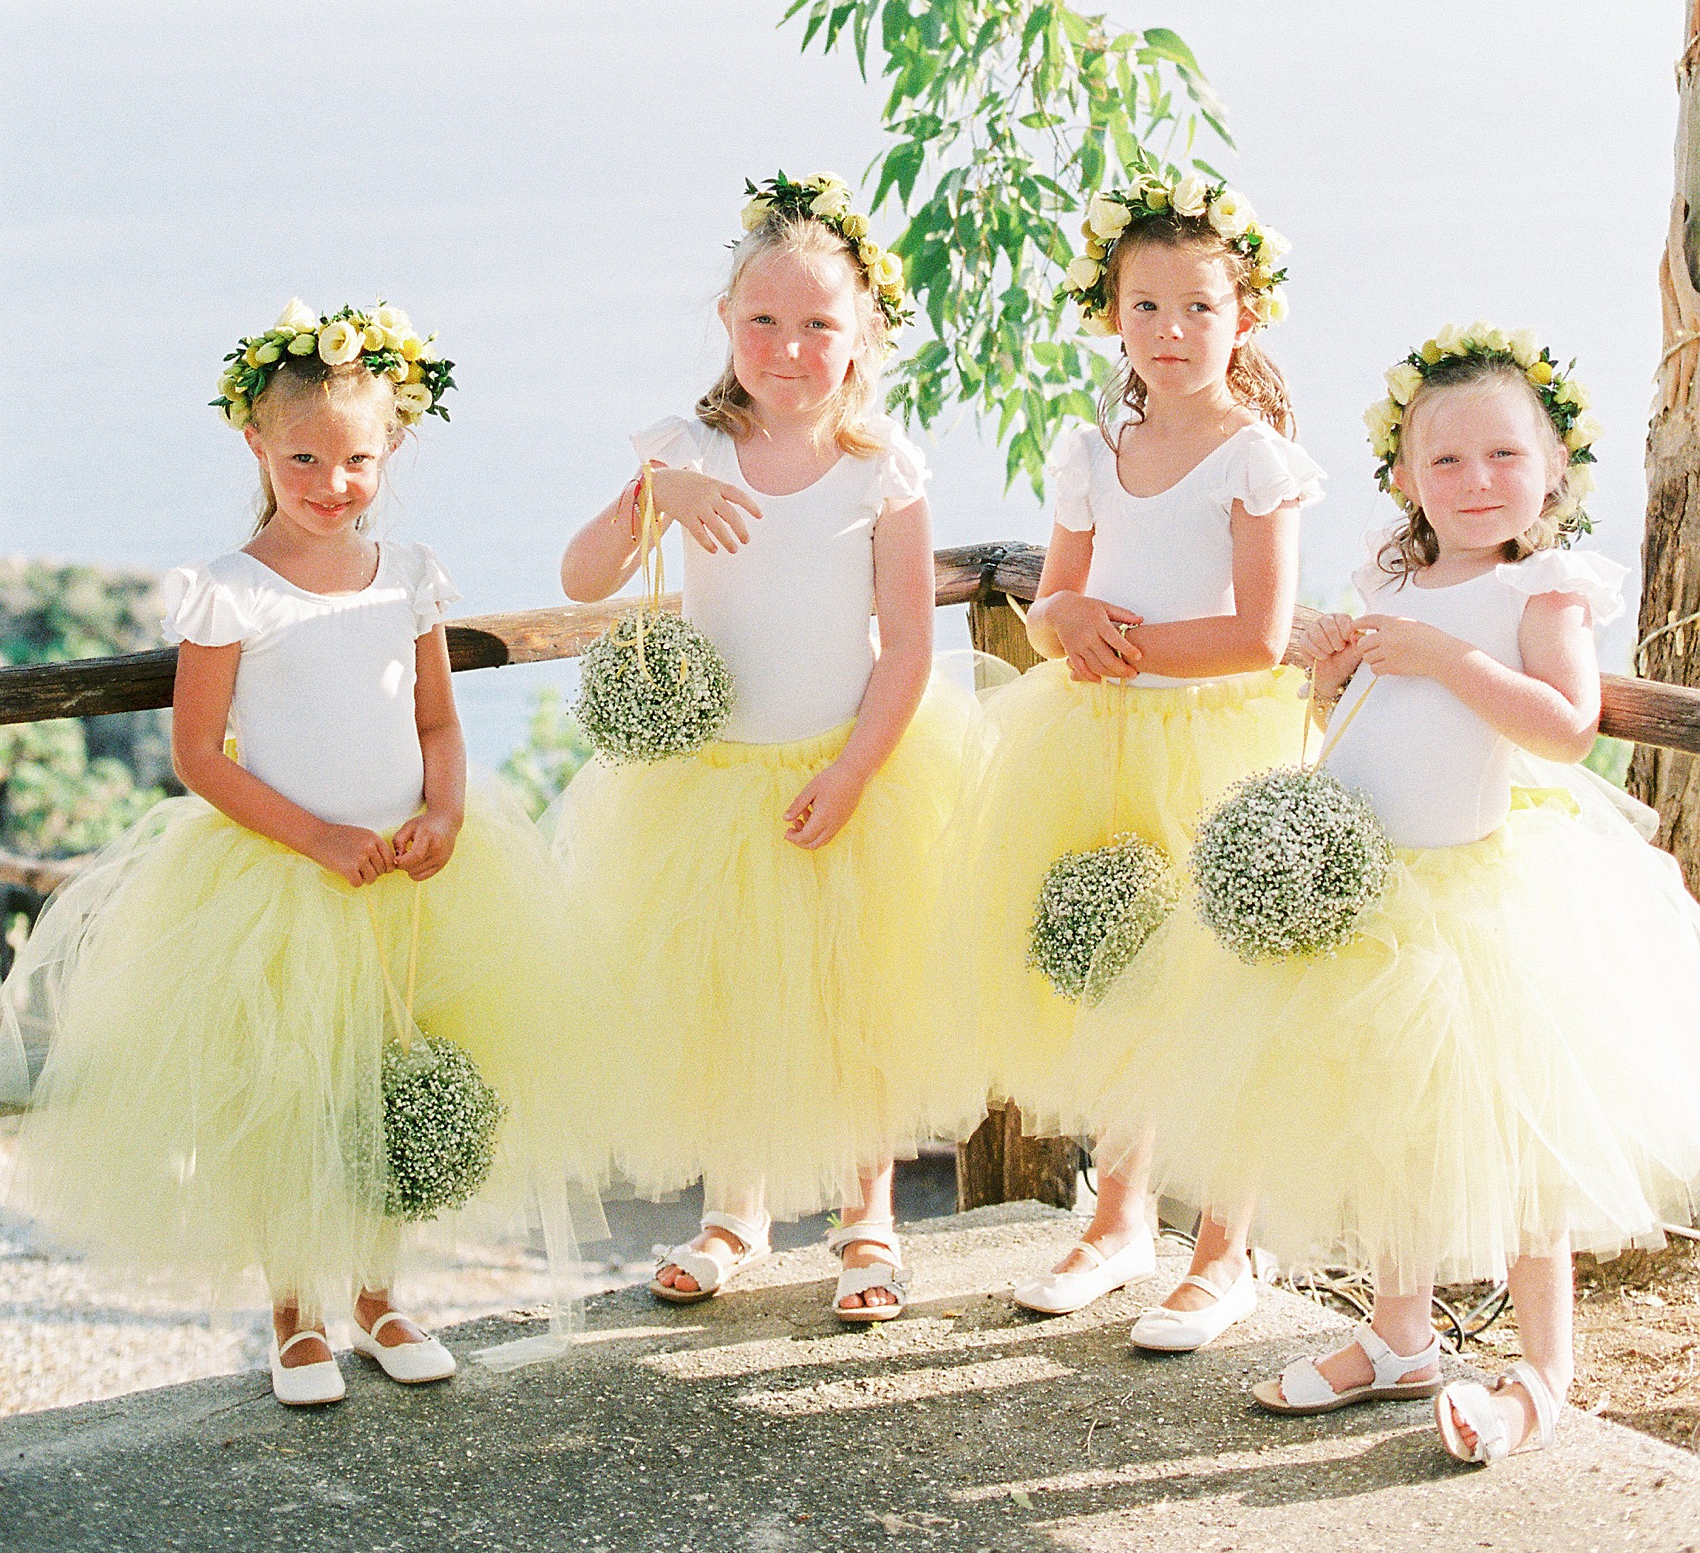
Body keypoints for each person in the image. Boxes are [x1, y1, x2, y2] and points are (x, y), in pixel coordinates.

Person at [1082, 327, 1700, 1462]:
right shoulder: (1391, 571)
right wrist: (1333, 672)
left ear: (1553, 466)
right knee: (1387, 1128)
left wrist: (1440, 656)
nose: (1475, 483)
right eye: (1445, 462)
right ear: (1405, 476)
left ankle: (1543, 1368)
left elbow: (1562, 730)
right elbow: (1351, 722)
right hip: (1364, 894)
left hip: (1471, 904)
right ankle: (1398, 1333)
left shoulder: (1542, 586)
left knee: (1511, 1140)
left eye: (1503, 457)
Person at [2, 302, 593, 1407]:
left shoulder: (406, 571)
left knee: (382, 1079)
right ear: (257, 448)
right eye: (304, 456)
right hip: (279, 878)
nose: (331, 481)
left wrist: (447, 814)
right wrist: (314, 834)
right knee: (290, 1097)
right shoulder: (232, 586)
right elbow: (196, 752)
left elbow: (436, 723)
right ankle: (294, 1314)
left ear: (395, 447)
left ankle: (377, 1291)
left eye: (357, 457)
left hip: (407, 877)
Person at [554, 174, 962, 1323]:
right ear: (727, 329)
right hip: (712, 783)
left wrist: (850, 771)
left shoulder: (882, 467)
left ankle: (867, 1213)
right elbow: (581, 578)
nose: (788, 347)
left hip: (848, 764)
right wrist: (655, 494)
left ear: (861, 334)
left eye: (818, 324)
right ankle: (735, 1210)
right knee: (730, 999)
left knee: (854, 999)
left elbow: (907, 648)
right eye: (763, 322)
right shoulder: (686, 447)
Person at [957, 173, 1319, 1347]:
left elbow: (1261, 633)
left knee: (1224, 988)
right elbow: (1055, 587)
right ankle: (1116, 1221)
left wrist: (1124, 641)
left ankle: (1223, 1248)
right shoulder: (1094, 444)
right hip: (1098, 736)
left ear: (1241, 320)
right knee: (1120, 969)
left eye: (1198, 308)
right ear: (1111, 313)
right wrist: (1060, 622)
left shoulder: (1254, 458)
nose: (1171, 331)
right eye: (1146, 305)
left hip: (1216, 739)